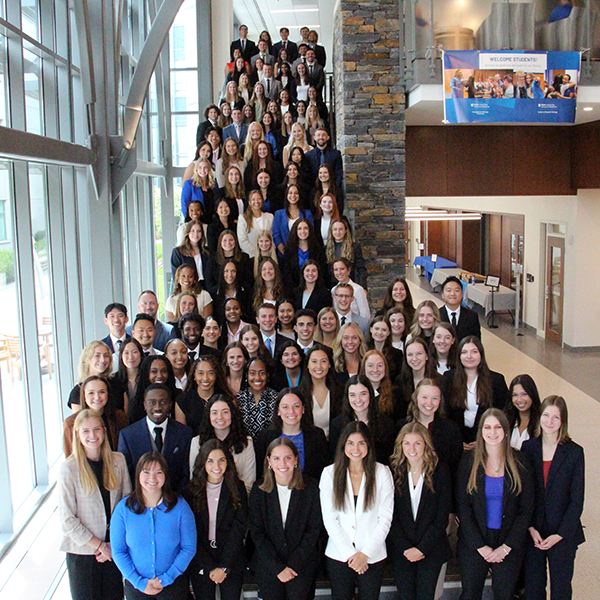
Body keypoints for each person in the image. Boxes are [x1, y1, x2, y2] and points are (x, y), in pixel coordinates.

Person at [456, 409, 534, 600]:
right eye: (487, 427)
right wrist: (480, 546)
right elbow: (463, 507)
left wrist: (507, 547)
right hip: (475, 541)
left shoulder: (520, 461)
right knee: (470, 594)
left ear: (506, 431)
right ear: (481, 431)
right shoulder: (469, 461)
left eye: (498, 427)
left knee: (504, 595)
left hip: (508, 541)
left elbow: (526, 509)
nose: (492, 432)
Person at [58, 409, 131, 600]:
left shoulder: (118, 461)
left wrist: (113, 545)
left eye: (97, 429)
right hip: (83, 552)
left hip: (113, 549)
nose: (92, 436)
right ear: (78, 436)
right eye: (86, 431)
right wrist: (100, 546)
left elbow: (127, 506)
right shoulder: (68, 469)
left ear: (104, 431)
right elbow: (67, 520)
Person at [319, 421, 394, 600]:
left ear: (368, 444)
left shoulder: (382, 472)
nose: (356, 449)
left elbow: (385, 519)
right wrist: (351, 556)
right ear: (343, 445)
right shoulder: (330, 473)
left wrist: (364, 554)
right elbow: (330, 519)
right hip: (339, 555)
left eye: (361, 443)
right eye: (350, 443)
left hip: (372, 555)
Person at [522, 395, 585, 600]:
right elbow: (524, 493)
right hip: (534, 531)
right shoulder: (528, 448)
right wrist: (530, 527)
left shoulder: (575, 453)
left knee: (561, 589)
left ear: (562, 421)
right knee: (533, 589)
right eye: (546, 415)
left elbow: (577, 500)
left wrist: (560, 534)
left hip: (563, 533)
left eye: (555, 417)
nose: (549, 421)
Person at [111, 451, 197, 599]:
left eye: (158, 472)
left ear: (165, 476)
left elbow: (188, 548)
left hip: (173, 586)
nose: (152, 478)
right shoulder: (123, 509)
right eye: (146, 472)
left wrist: (167, 578)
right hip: (137, 587)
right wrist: (138, 582)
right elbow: (118, 551)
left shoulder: (180, 507)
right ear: (138, 475)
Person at [249, 437, 323, 600]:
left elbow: (313, 530)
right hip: (269, 566)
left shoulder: (311, 488)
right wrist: (278, 568)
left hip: (301, 566)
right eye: (276, 458)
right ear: (269, 461)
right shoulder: (258, 490)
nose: (282, 464)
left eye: (288, 458)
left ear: (296, 459)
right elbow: (257, 532)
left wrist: (293, 565)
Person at [387, 422, 452, 600]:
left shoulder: (440, 471)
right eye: (407, 443)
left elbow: (441, 518)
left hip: (431, 548)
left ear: (426, 445)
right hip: (402, 549)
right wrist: (406, 548)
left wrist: (421, 548)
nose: (412, 449)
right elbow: (389, 516)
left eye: (417, 443)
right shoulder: (393, 471)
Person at [184, 439, 248, 600]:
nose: (216, 466)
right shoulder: (190, 491)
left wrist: (224, 566)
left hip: (231, 558)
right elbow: (191, 533)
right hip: (201, 559)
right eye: (210, 461)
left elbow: (239, 528)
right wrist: (211, 567)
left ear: (228, 462)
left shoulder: (237, 487)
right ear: (202, 463)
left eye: (221, 460)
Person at [118, 384, 193, 492]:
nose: (157, 407)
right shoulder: (128, 435)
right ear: (145, 405)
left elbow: (186, 474)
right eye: (152, 402)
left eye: (163, 402)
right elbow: (126, 476)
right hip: (141, 502)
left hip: (175, 500)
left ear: (170, 404)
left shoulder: (184, 433)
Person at [397, 378, 463, 497]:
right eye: (424, 397)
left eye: (435, 398)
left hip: (440, 496)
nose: (429, 403)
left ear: (440, 401)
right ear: (416, 398)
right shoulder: (401, 427)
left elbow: (456, 470)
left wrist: (452, 509)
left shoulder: (451, 429)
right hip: (407, 496)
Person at [445, 336, 510, 449]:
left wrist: (482, 440)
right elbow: (445, 412)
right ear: (459, 356)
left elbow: (503, 412)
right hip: (456, 438)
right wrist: (456, 440)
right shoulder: (449, 378)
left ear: (481, 355)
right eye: (464, 352)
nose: (469, 356)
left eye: (474, 352)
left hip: (487, 439)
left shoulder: (496, 380)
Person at [255, 389, 329, 480]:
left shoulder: (317, 435)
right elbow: (260, 472)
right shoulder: (265, 436)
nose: (291, 411)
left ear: (303, 409)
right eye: (285, 407)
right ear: (278, 411)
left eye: (296, 406)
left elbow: (323, 472)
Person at [189, 395, 256, 494]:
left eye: (225, 412)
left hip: (237, 501)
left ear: (232, 414)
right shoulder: (197, 442)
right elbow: (195, 479)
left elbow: (249, 483)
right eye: (214, 413)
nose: (220, 417)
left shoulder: (246, 443)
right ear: (209, 416)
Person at [329, 375, 395, 465]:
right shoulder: (337, 424)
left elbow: (388, 459)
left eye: (363, 394)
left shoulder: (386, 424)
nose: (358, 399)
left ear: (370, 395)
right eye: (352, 395)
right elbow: (336, 459)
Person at [63, 376, 128, 457]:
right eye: (91, 393)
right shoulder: (71, 423)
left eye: (102, 392)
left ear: (108, 394)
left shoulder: (119, 417)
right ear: (84, 396)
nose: (97, 397)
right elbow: (70, 457)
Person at [176, 355, 230, 434]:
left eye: (210, 373)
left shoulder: (227, 399)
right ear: (194, 375)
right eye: (200, 373)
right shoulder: (183, 400)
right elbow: (182, 434)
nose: (205, 378)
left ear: (216, 375)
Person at [297, 344, 341, 439]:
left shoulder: (340, 391)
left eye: (323, 361)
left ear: (329, 364)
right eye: (314, 361)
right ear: (307, 365)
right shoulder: (298, 393)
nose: (319, 366)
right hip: (309, 446)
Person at [395, 338, 439, 420]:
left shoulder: (440, 381)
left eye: (419, 354)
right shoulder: (400, 381)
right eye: (410, 355)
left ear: (426, 356)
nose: (414, 358)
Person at [237, 356, 279, 439]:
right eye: (252, 373)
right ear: (246, 375)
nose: (257, 377)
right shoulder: (238, 399)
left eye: (262, 373)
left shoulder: (277, 398)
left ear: (267, 375)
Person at [67, 341, 115, 411]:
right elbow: (79, 420)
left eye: (106, 355)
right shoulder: (78, 392)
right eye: (97, 355)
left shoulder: (116, 384)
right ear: (87, 359)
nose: (102, 360)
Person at [326, 218, 367, 289]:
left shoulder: (354, 247)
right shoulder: (326, 249)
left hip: (351, 285)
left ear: (345, 231)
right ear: (331, 232)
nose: (338, 232)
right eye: (335, 229)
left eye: (341, 229)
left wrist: (363, 287)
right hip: (332, 286)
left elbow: (361, 269)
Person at [273, 184, 314, 256]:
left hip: (304, 255)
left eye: (296, 193)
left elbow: (311, 233)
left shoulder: (307, 214)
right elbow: (276, 236)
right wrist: (286, 253)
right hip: (284, 255)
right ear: (286, 195)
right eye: (290, 193)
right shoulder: (279, 214)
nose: (293, 195)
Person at [439, 276, 481, 342]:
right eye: (449, 290)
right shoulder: (436, 315)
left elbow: (476, 342)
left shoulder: (472, 316)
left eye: (457, 290)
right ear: (442, 294)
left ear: (462, 294)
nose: (453, 294)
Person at [506, 374, 541, 450]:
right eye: (515, 395)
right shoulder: (506, 419)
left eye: (524, 394)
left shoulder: (541, 422)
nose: (519, 399)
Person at [170, 219, 209, 286]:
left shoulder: (207, 252)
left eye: (198, 231)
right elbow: (176, 277)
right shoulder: (178, 252)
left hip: (206, 289)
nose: (196, 234)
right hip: (187, 288)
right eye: (192, 231)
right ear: (188, 233)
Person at [237, 190, 274, 258]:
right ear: (249, 202)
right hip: (250, 257)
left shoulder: (270, 217)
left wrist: (267, 253)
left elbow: (272, 237)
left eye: (259, 199)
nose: (256, 202)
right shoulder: (243, 218)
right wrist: (257, 254)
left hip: (268, 256)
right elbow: (242, 241)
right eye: (253, 199)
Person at [112, 338, 144, 417]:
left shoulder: (147, 378)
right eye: (126, 353)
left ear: (141, 354)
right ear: (121, 356)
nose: (131, 357)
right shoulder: (114, 380)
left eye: (134, 352)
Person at [305, 128, 343, 193]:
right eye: (318, 135)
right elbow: (307, 175)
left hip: (332, 190)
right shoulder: (308, 156)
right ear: (314, 137)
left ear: (328, 137)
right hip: (314, 191)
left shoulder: (335, 154)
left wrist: (335, 189)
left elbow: (338, 173)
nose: (321, 137)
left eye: (323, 135)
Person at [359, 350, 395, 418]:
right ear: (364, 368)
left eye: (380, 365)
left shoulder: (395, 394)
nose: (375, 370)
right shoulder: (356, 394)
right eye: (370, 365)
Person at [332, 322, 368, 387]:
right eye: (346, 338)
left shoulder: (367, 363)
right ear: (341, 340)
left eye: (354, 338)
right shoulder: (333, 363)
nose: (350, 342)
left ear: (360, 340)